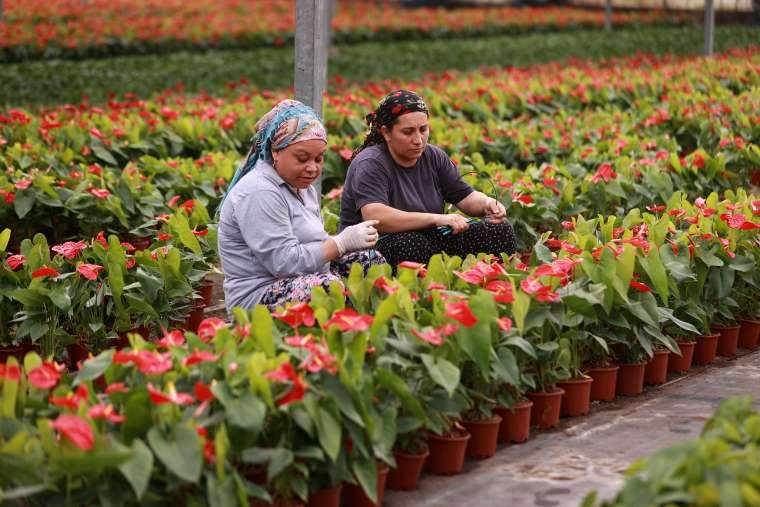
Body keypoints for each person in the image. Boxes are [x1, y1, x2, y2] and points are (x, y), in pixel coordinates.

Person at [218, 99, 385, 312]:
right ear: (276, 152)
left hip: (304, 277)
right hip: (258, 295)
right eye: (302, 158)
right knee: (327, 288)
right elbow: (283, 263)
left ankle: (365, 332)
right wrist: (340, 243)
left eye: (318, 159)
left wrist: (348, 243)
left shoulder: (303, 187)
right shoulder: (259, 191)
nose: (312, 168)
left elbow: (313, 242)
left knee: (368, 260)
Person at [339, 90, 518, 266]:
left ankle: (451, 276)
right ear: (386, 133)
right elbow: (377, 218)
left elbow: (465, 197)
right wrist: (438, 219)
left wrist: (487, 203)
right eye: (408, 132)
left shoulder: (433, 156)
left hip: (427, 238)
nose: (418, 140)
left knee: (500, 232)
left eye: (423, 129)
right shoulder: (371, 162)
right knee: (409, 246)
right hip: (374, 245)